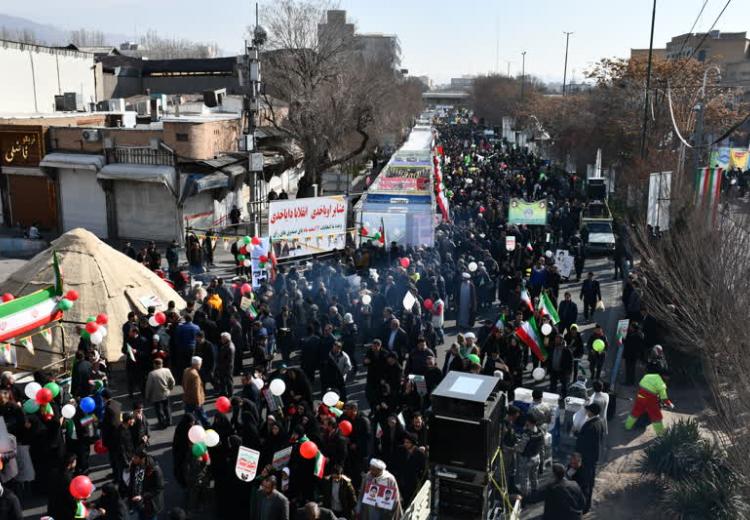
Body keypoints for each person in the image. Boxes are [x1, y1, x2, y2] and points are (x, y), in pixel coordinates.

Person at [624, 369, 674, 435]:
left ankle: (627, 426)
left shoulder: (649, 376)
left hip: (641, 396)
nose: (669, 378)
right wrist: (670, 404)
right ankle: (660, 432)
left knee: (636, 412)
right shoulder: (661, 384)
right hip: (650, 399)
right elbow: (664, 398)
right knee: (656, 416)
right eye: (668, 377)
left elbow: (641, 383)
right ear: (665, 376)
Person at [575, 403, 604, 512]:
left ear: (591, 412)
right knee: (589, 483)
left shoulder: (591, 426)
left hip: (586, 459)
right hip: (592, 458)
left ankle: (583, 506)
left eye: (588, 410)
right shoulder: (599, 422)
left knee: (584, 483)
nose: (587, 412)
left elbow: (584, 444)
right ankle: (586, 505)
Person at [127, 449, 165, 520]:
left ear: (142, 459)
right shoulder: (134, 465)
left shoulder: (155, 470)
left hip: (150, 503)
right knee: (141, 516)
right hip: (138, 500)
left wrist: (142, 496)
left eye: (135, 457)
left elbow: (159, 488)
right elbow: (133, 480)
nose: (133, 459)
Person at [515, 415, 544, 498]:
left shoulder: (527, 434)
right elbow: (542, 447)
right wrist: (542, 460)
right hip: (536, 457)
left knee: (524, 478)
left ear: (528, 422)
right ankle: (535, 493)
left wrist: (514, 446)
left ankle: (524, 497)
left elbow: (520, 449)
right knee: (534, 477)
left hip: (526, 459)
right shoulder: (540, 432)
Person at [145, 358, 175, 428]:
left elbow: (149, 386)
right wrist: (170, 388)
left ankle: (161, 423)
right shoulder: (167, 370)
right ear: (162, 364)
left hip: (156, 395)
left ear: (154, 364)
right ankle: (169, 421)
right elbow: (172, 381)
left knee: (158, 410)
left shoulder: (152, 374)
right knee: (167, 407)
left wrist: (147, 396)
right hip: (166, 393)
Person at [182, 356, 209, 426]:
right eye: (200, 364)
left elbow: (183, 383)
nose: (201, 365)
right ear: (196, 364)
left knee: (188, 417)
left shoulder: (186, 371)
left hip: (187, 398)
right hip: (195, 400)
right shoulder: (195, 375)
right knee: (203, 416)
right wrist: (198, 402)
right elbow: (196, 390)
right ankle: (208, 428)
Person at [216, 332, 236, 396]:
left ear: (226, 339)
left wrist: (224, 367)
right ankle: (223, 392)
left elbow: (229, 360)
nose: (221, 340)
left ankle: (230, 393)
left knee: (228, 380)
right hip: (223, 366)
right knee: (223, 380)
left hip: (226, 367)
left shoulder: (229, 347)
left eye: (222, 338)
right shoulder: (227, 345)